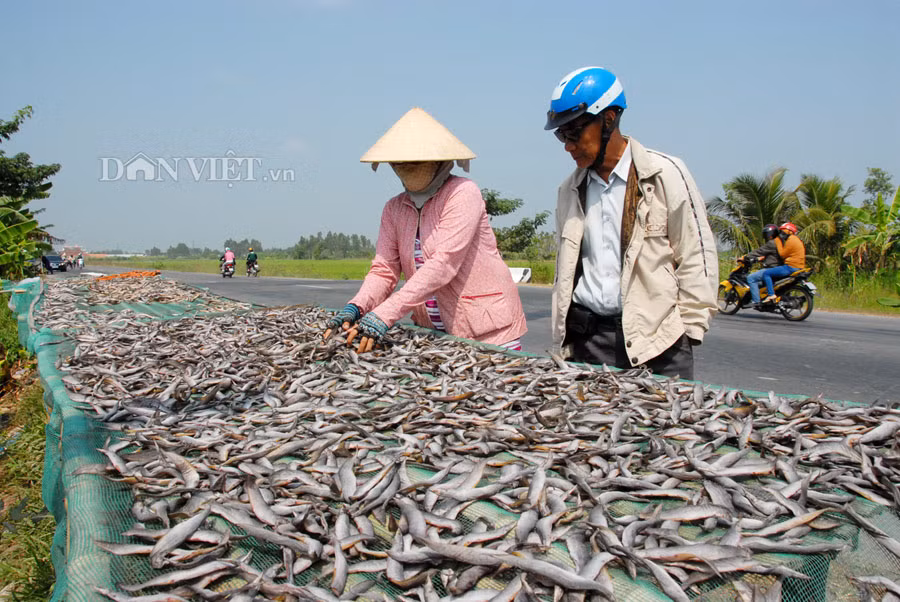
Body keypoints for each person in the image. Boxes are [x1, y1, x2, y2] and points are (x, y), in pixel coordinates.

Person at [545, 67, 718, 380]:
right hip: (591, 341)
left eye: (573, 133)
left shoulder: (666, 174)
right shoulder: (568, 191)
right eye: (561, 135)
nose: (568, 145)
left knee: (660, 428)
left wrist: (690, 331)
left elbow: (696, 255)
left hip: (659, 343)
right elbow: (567, 269)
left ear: (609, 119)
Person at [324, 107, 527, 353]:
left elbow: (444, 263)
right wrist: (356, 307)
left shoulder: (462, 193)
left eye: (416, 159)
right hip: (435, 334)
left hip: (489, 332)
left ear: (438, 159)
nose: (407, 166)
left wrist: (384, 315)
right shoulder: (394, 208)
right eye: (401, 161)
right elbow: (384, 270)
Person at [747, 222, 805, 307]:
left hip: (791, 266)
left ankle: (770, 295)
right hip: (798, 266)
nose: (782, 233)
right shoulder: (795, 239)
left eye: (783, 231)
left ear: (790, 231)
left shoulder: (789, 240)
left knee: (766, 274)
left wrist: (777, 242)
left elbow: (782, 254)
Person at [744, 224, 781, 305]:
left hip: (771, 268)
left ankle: (756, 301)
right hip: (779, 267)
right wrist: (760, 258)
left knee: (751, 278)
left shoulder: (772, 243)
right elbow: (770, 255)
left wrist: (745, 256)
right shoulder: (779, 242)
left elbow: (759, 251)